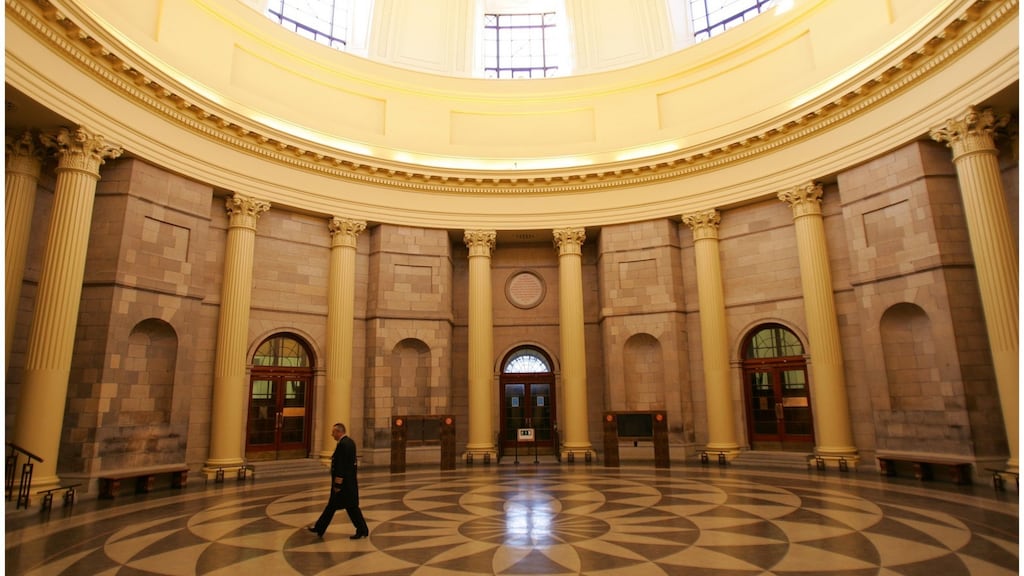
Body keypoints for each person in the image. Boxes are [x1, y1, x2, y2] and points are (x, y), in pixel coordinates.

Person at [307, 422, 369, 539]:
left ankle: (362, 529)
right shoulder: (349, 442)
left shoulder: (343, 444)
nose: (332, 434)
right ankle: (320, 527)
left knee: (350, 507)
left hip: (344, 485)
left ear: (339, 432)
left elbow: (341, 466)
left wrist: (337, 484)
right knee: (336, 507)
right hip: (348, 483)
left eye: (333, 432)